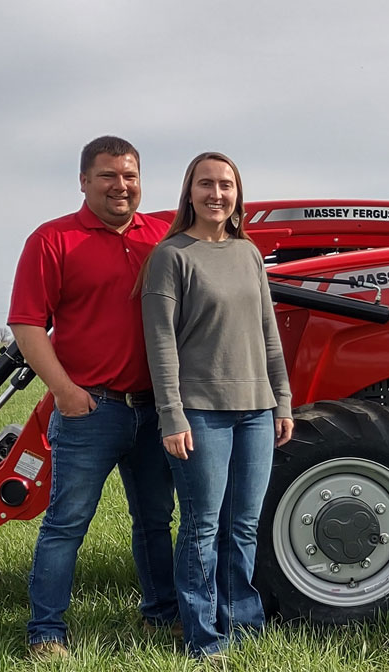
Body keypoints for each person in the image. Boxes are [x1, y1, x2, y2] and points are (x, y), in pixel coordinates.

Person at [8, 136, 179, 660]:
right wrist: (65, 391)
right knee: (67, 523)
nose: (120, 186)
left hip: (155, 411)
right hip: (91, 409)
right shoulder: (53, 240)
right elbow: (27, 323)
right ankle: (46, 632)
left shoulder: (164, 236)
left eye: (129, 175)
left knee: (155, 519)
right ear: (84, 181)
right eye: (108, 175)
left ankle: (163, 617)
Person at [141, 152, 294, 658]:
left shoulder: (248, 252)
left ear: (237, 194)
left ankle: (243, 626)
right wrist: (172, 414)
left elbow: (268, 333)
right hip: (200, 411)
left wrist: (283, 402)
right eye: (206, 184)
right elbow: (160, 344)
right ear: (189, 192)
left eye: (225, 185)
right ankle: (203, 636)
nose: (216, 194)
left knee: (243, 525)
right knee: (203, 526)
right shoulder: (171, 256)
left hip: (256, 409)